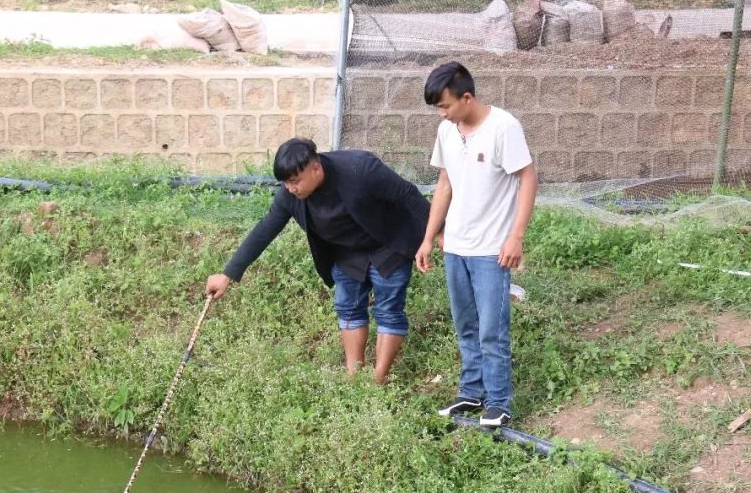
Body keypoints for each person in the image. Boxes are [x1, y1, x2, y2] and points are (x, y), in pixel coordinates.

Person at [205, 137, 430, 384]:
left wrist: (435, 233)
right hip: (345, 253)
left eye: (294, 181)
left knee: (388, 310)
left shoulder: (360, 168)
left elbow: (407, 194)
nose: (290, 189)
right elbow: (266, 228)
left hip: (388, 244)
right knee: (349, 308)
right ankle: (354, 376)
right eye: (286, 183)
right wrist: (228, 274)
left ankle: (378, 379)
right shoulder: (290, 195)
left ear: (315, 167)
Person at [416, 61, 537, 427]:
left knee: (491, 329)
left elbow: (528, 179)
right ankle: (471, 394)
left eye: (445, 106)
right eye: (438, 108)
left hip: (490, 249)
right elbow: (445, 185)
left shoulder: (503, 127)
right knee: (465, 323)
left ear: (466, 98)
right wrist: (427, 237)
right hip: (455, 246)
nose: (442, 113)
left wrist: (516, 236)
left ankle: (499, 402)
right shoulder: (447, 131)